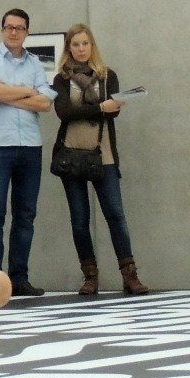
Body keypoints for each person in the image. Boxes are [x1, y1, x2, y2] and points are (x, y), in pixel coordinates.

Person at [52, 24, 150, 296]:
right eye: (75, 44)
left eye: (85, 43)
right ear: (69, 48)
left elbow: (113, 112)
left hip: (103, 153)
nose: (81, 49)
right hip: (71, 155)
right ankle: (90, 277)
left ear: (92, 45)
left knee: (115, 215)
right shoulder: (61, 79)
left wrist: (104, 108)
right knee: (79, 219)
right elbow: (64, 112)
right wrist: (100, 107)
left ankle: (130, 275)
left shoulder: (108, 76)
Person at [0, 7, 53, 296]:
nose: (14, 32)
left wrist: (7, 91)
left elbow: (45, 104)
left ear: (27, 32)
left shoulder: (36, 63)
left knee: (25, 215)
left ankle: (19, 278)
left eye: (20, 28)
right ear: (2, 29)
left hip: (30, 148)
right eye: (9, 27)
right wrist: (27, 91)